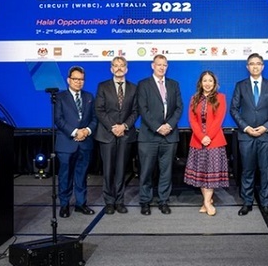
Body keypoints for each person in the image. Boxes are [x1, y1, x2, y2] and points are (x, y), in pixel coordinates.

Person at [230, 53, 268, 216]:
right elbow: (233, 109)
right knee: (247, 170)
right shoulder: (240, 85)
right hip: (246, 135)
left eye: (258, 63)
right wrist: (246, 128)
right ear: (247, 67)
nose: (255, 66)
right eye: (252, 63)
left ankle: (266, 203)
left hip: (266, 135)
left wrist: (265, 127)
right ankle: (247, 202)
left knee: (266, 170)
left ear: (263, 66)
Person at [137, 54, 183, 215]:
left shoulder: (174, 84)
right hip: (149, 136)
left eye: (164, 65)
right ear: (153, 65)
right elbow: (143, 109)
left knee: (166, 171)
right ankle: (145, 201)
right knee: (146, 171)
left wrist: (169, 125)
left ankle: (163, 201)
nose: (162, 67)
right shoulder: (143, 84)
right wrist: (158, 127)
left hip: (169, 136)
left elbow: (179, 108)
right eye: (159, 64)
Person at [94, 56, 139, 215]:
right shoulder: (103, 86)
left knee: (121, 170)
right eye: (116, 65)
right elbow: (99, 110)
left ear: (126, 69)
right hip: (107, 134)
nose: (119, 68)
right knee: (108, 170)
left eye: (122, 65)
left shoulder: (134, 88)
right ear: (111, 69)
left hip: (126, 135)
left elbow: (136, 111)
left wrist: (124, 126)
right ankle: (109, 201)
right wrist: (113, 127)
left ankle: (119, 201)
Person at [184, 71, 230, 216]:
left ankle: (207, 203)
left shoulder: (221, 98)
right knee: (202, 173)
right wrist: (201, 136)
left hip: (214, 141)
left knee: (210, 174)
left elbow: (218, 120)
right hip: (198, 141)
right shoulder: (194, 98)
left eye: (210, 81)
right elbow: (192, 120)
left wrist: (208, 137)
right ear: (200, 83)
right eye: (205, 80)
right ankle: (207, 201)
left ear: (214, 83)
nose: (208, 83)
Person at [54, 66, 98, 218]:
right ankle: (64, 205)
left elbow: (94, 119)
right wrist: (75, 132)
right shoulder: (60, 97)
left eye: (81, 79)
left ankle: (81, 204)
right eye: (75, 79)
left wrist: (86, 131)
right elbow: (58, 119)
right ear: (69, 80)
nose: (78, 82)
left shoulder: (89, 96)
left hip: (85, 143)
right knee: (65, 176)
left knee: (82, 175)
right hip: (66, 143)